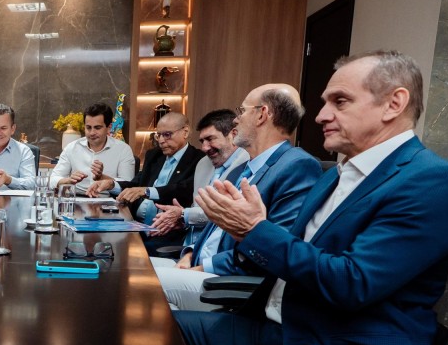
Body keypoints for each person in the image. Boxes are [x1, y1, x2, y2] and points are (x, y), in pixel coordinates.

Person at [174, 50, 448, 345]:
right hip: (290, 329)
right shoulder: (336, 174)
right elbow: (294, 255)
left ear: (394, 104)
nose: (320, 116)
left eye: (340, 101)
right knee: (156, 333)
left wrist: (256, 230)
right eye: (325, 102)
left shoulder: (432, 183)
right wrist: (256, 231)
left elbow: (352, 283)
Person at [154, 84, 321, 311]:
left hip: (227, 281)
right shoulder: (243, 169)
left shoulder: (297, 166)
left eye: (241, 111)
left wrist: (202, 267)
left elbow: (275, 246)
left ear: (262, 114)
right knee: (126, 267)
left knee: (136, 283)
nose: (235, 120)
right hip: (198, 266)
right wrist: (190, 254)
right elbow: (215, 230)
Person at [102, 112, 203, 251]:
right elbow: (136, 184)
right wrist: (112, 184)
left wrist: (148, 191)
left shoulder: (198, 159)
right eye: (158, 135)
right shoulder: (154, 155)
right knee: (103, 241)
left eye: (167, 135)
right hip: (136, 225)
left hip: (167, 231)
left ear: (185, 132)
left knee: (126, 251)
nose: (161, 140)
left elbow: (182, 189)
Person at [150, 109, 250, 246]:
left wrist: (183, 214)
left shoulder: (246, 164)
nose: (204, 148)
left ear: (233, 135)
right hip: (188, 246)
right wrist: (183, 221)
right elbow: (197, 208)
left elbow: (224, 213)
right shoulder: (203, 163)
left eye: (210, 139)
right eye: (202, 141)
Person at [50, 102, 136, 196]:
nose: (92, 133)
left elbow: (128, 185)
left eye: (97, 128)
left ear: (109, 127)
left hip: (109, 200)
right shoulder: (72, 147)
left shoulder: (123, 150)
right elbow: (52, 180)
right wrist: (68, 180)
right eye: (88, 128)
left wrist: (102, 177)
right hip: (77, 199)